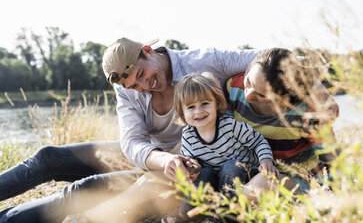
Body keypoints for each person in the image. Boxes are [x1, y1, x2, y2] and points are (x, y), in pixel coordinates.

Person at [0, 37, 262, 223]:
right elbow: (132, 140)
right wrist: (163, 158)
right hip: (152, 157)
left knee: (82, 190)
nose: (144, 87)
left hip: (191, 165)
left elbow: (267, 59)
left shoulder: (204, 62)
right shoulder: (126, 89)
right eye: (134, 86)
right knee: (48, 157)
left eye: (143, 75)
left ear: (147, 51)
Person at [225, 48, 339, 200]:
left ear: (286, 94)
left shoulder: (306, 112)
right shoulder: (233, 87)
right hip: (249, 169)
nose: (248, 94)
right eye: (249, 81)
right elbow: (222, 131)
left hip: (296, 179)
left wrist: (341, 197)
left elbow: (331, 157)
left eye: (262, 95)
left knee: (257, 188)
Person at [168, 73, 279, 222]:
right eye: (191, 107)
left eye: (205, 103)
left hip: (243, 176)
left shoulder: (230, 126)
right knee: (202, 174)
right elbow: (190, 160)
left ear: (217, 103)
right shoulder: (188, 134)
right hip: (216, 181)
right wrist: (190, 167)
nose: (199, 111)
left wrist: (266, 160)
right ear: (182, 112)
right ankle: (186, 216)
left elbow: (258, 141)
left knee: (231, 166)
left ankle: (225, 217)